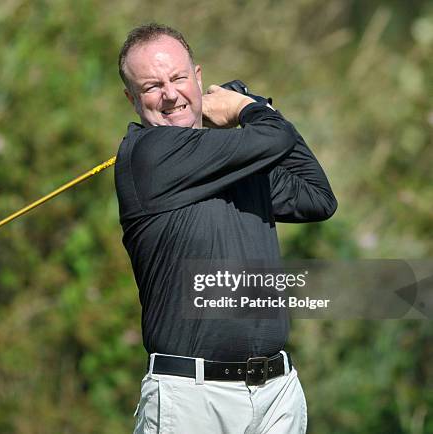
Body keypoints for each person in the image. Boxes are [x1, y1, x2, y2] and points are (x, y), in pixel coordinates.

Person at [114, 23, 337, 433]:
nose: (169, 94)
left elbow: (317, 197)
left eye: (179, 78)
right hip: (191, 399)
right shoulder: (148, 156)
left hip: (276, 394)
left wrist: (252, 107)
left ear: (197, 78)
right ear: (132, 99)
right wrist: (247, 107)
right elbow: (273, 136)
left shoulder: (234, 160)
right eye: (151, 86)